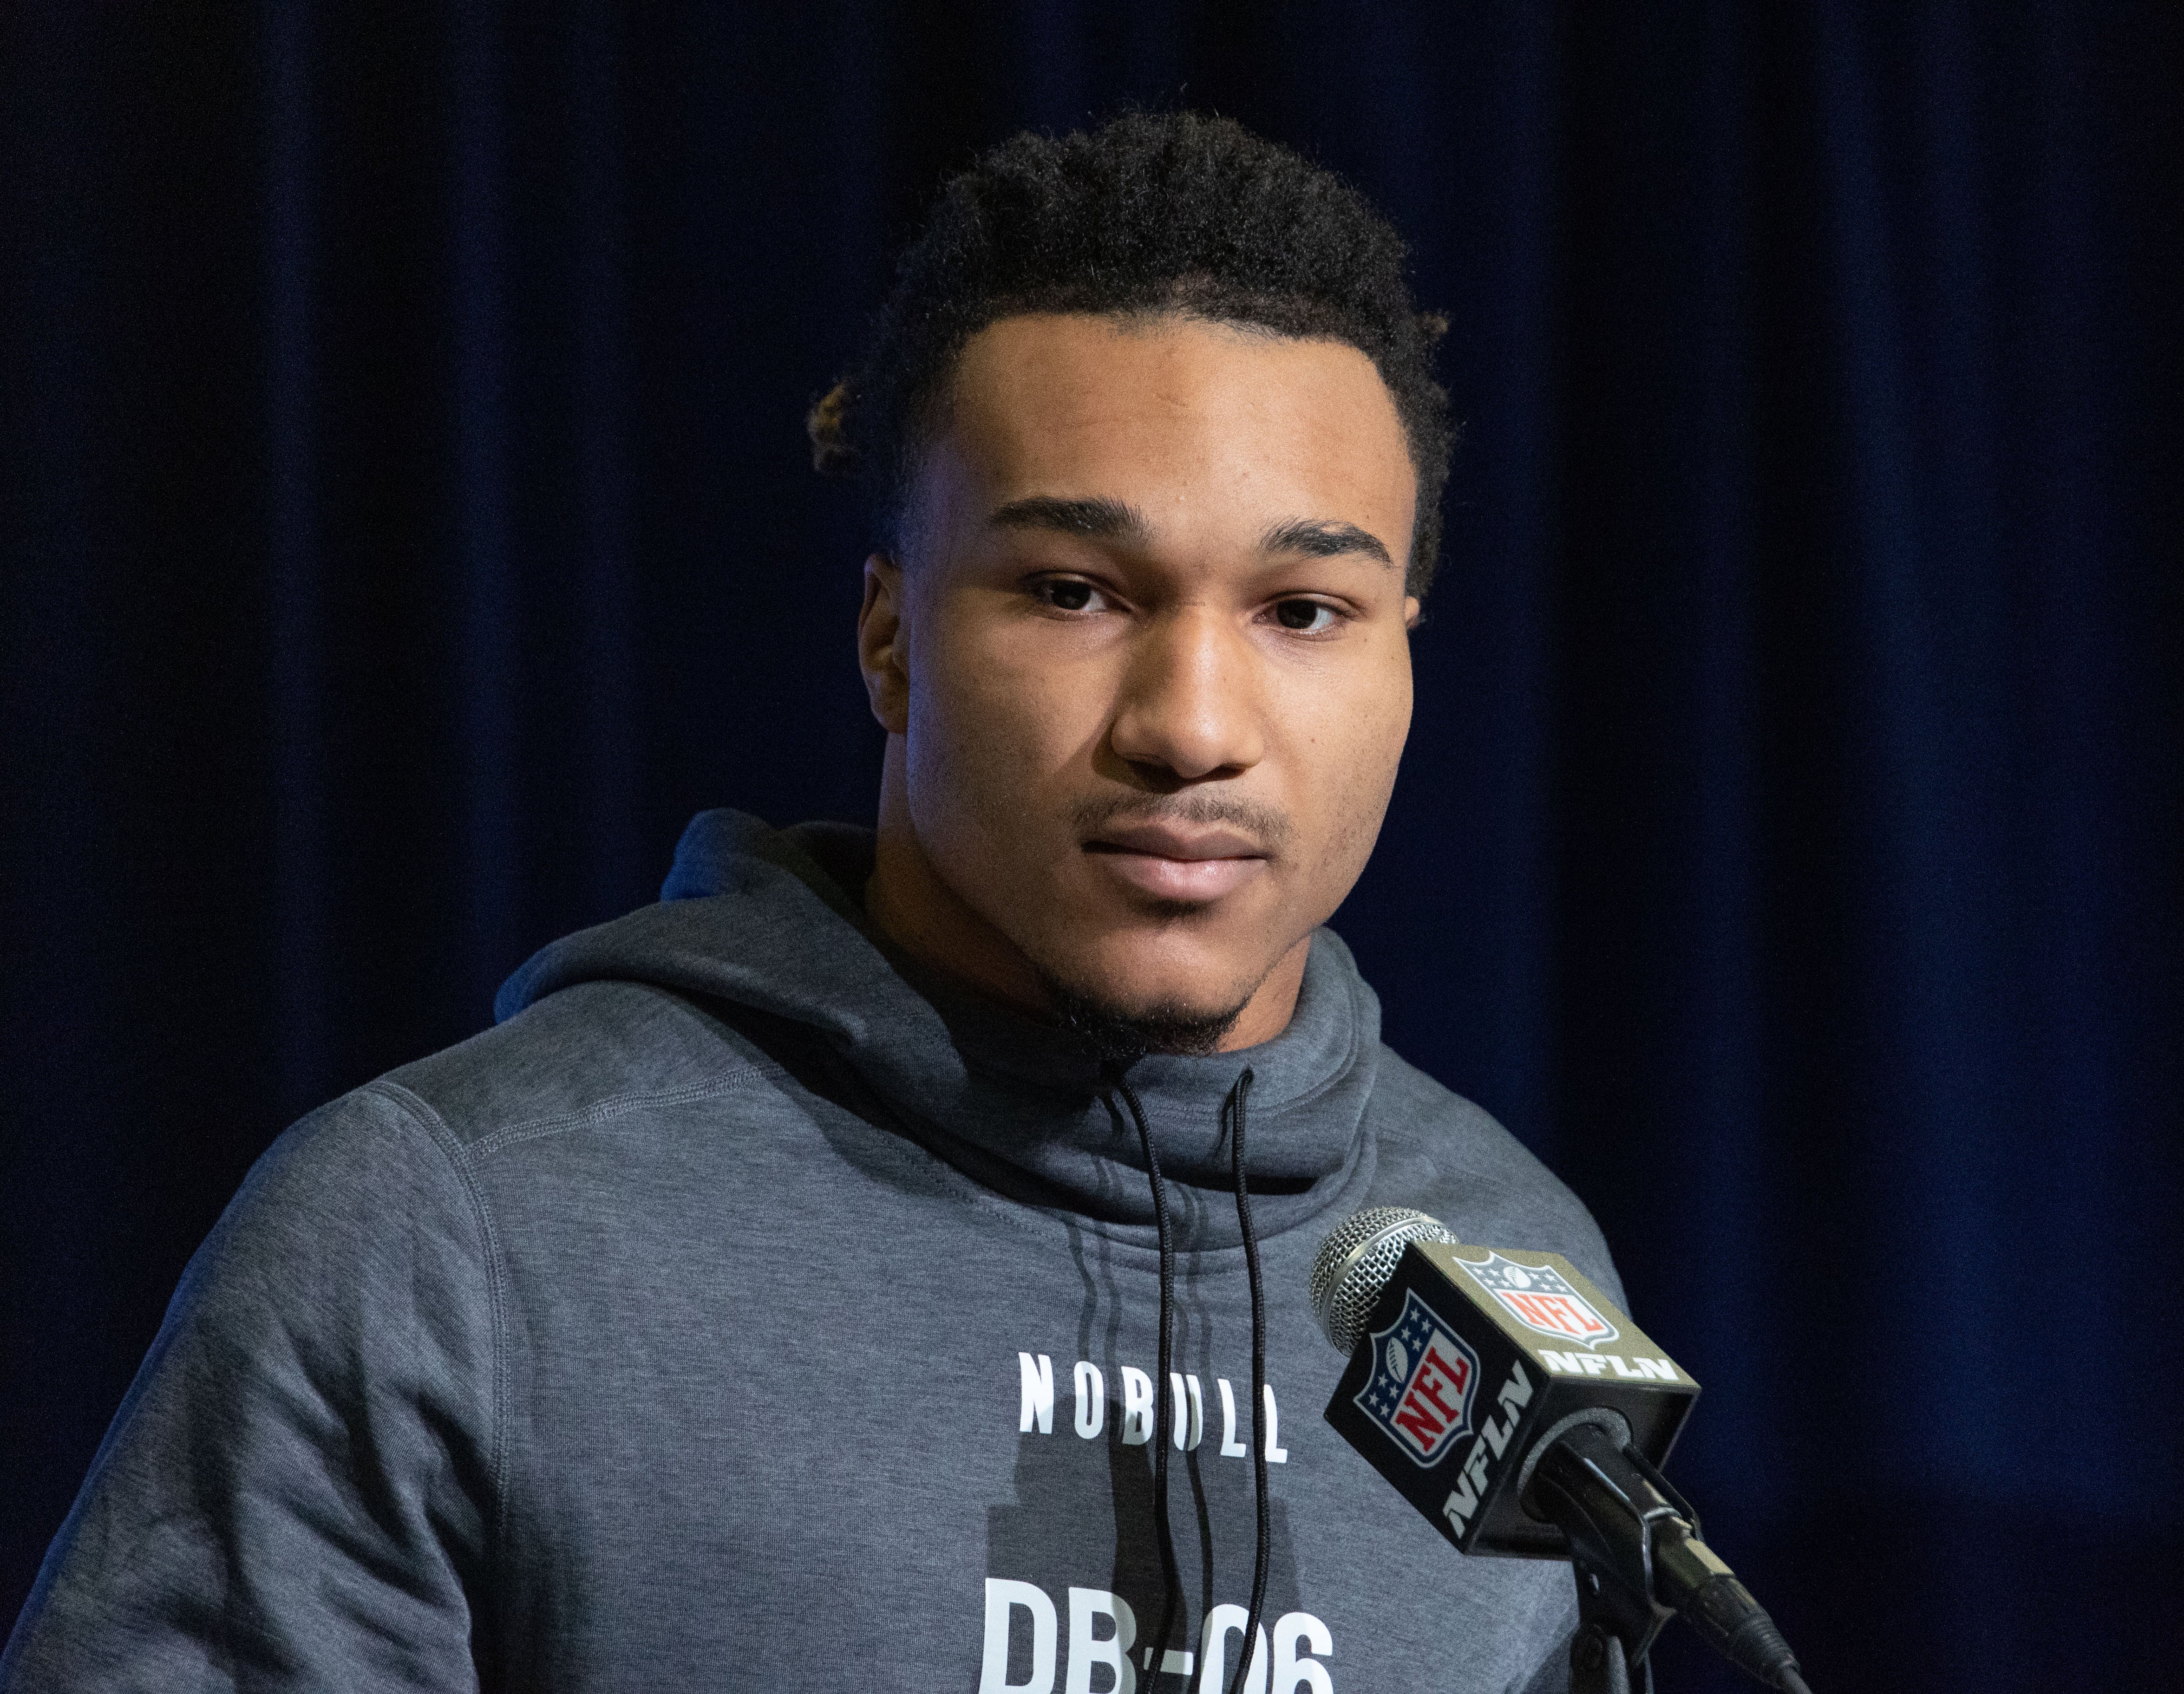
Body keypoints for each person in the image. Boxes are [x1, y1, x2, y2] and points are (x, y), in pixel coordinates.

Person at [4, 112, 1624, 1694]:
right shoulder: (460, 1234)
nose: (1192, 726)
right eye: (1074, 592)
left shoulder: (1512, 1266)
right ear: (889, 640)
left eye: (1304, 610)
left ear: (1407, 649)